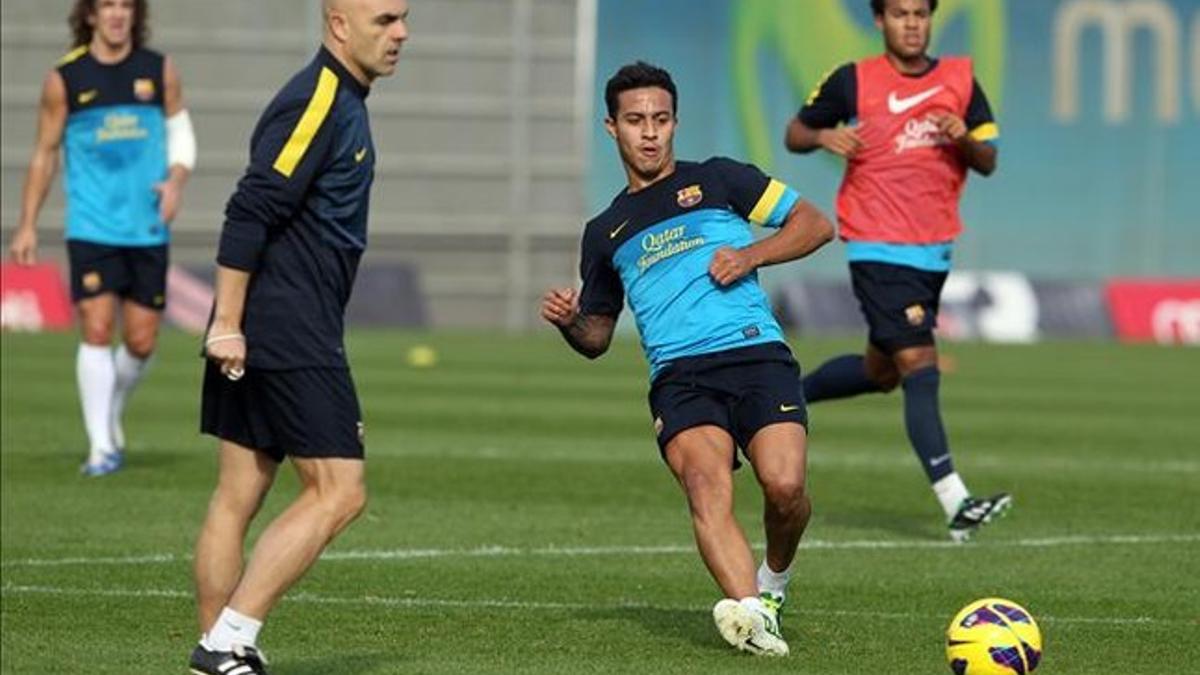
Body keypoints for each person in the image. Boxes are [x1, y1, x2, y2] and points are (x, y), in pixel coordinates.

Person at [543, 62, 835, 657]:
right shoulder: (604, 232)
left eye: (660, 119)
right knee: (705, 485)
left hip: (756, 354)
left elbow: (815, 224)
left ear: (675, 122)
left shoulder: (722, 179)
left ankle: (771, 583)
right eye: (634, 121)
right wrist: (571, 322)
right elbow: (598, 336)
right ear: (612, 128)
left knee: (784, 488)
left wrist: (751, 256)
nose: (649, 133)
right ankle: (753, 620)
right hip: (680, 377)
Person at [189, 1, 408, 672]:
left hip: (266, 320)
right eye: (384, 20)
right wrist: (227, 321)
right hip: (286, 323)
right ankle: (227, 640)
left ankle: (220, 658)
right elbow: (251, 205)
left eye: (403, 17)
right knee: (340, 490)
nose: (400, 33)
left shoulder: (345, 100)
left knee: (237, 496)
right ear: (339, 23)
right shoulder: (319, 98)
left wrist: (232, 321)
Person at [784, 0, 1011, 542]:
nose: (911, 22)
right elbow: (795, 131)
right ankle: (956, 502)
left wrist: (963, 137)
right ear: (880, 21)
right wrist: (823, 137)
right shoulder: (853, 81)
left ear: (930, 20)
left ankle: (781, 395)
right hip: (876, 245)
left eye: (919, 13)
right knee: (918, 362)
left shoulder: (960, 79)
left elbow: (988, 159)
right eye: (899, 13)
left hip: (932, 251)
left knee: (881, 371)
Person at [8, 0, 195, 476]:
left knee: (141, 341)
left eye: (124, 5)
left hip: (147, 225)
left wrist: (175, 181)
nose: (116, 13)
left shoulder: (159, 70)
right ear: (89, 15)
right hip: (91, 226)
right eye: (106, 5)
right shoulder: (65, 79)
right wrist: (28, 223)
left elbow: (182, 136)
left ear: (135, 14)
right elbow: (44, 154)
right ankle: (100, 448)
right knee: (95, 327)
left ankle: (109, 410)